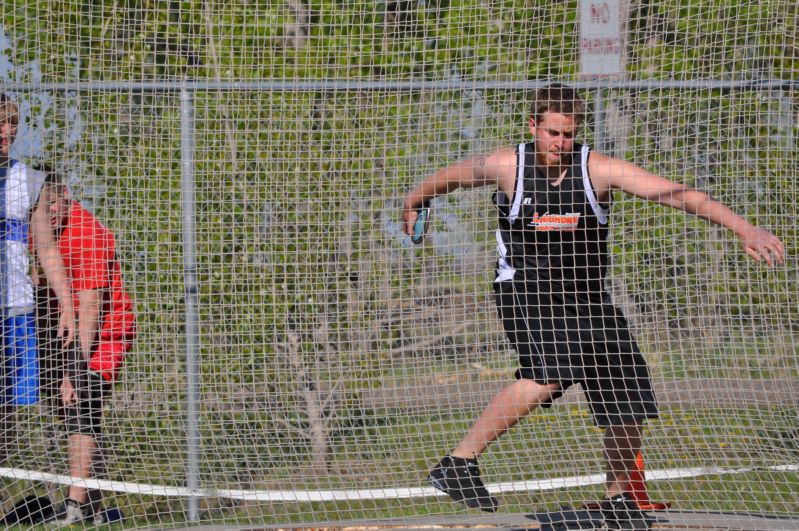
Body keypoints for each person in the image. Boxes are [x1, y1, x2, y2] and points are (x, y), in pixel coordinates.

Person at [402, 84, 784, 529]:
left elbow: (678, 194)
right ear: (533, 126)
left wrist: (744, 229)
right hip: (528, 289)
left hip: (587, 297)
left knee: (629, 393)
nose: (558, 144)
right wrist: (414, 201)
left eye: (567, 134)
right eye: (550, 133)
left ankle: (619, 498)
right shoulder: (509, 164)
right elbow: (446, 177)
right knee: (551, 373)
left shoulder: (598, 170)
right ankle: (458, 465)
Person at [32, 169, 136, 525]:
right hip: (58, 332)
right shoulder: (39, 226)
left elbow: (89, 309)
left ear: (63, 198)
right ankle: (95, 506)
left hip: (105, 332)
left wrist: (74, 370)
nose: (43, 214)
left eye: (48, 206)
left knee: (82, 397)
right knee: (65, 411)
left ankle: (74, 506)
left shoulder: (88, 232)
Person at [0, 94, 74, 457]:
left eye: (12, 123)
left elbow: (45, 248)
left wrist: (66, 303)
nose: (7, 131)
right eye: (2, 122)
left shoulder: (30, 180)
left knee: (8, 409)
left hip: (14, 304)